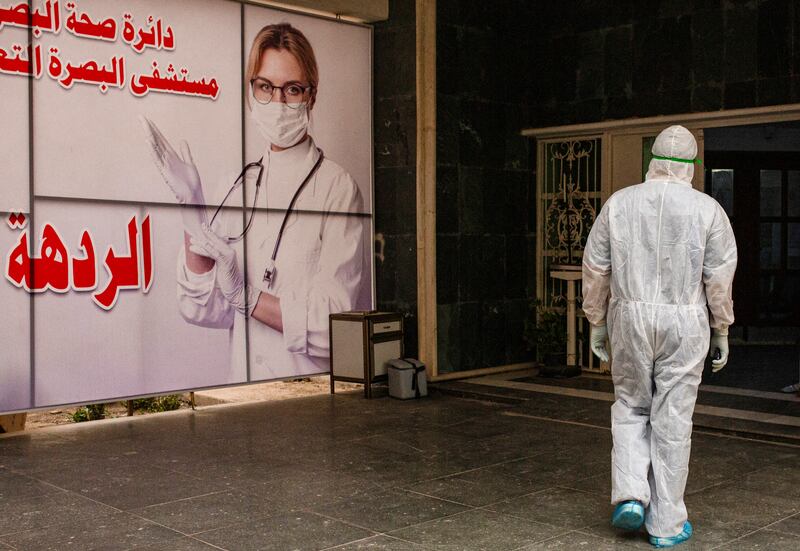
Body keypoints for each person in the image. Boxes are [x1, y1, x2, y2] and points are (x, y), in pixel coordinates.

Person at [142, 23, 365, 379]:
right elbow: (204, 310)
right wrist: (192, 209)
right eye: (265, 87)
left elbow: (335, 326)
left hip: (308, 397)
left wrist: (248, 297)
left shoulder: (337, 188)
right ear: (251, 92)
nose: (277, 103)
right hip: (244, 391)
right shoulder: (236, 184)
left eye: (291, 89)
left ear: (311, 96)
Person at [582, 125, 737, 548]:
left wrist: (596, 320)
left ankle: (631, 495)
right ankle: (666, 524)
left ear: (652, 160)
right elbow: (718, 278)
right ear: (693, 165)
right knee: (673, 418)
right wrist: (721, 327)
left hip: (628, 317)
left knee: (631, 405)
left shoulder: (619, 203)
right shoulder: (708, 211)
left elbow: (596, 265)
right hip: (685, 323)